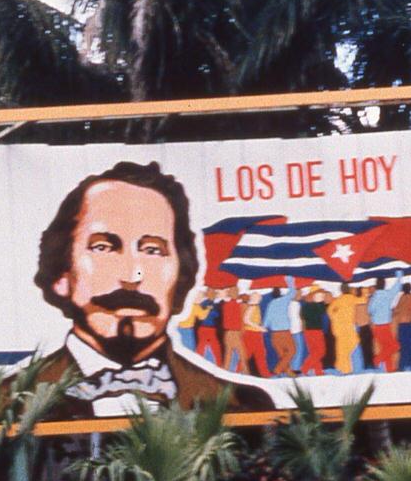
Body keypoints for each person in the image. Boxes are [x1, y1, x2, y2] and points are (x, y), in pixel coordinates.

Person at [30, 160, 274, 417]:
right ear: (61, 275)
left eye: (152, 250)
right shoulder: (1, 408)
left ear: (181, 275)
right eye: (103, 247)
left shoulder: (242, 406)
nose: (131, 275)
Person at [261, 278, 298, 376]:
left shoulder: (270, 305)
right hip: (285, 333)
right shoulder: (283, 300)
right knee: (292, 351)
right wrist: (290, 281)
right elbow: (293, 292)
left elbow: (266, 322)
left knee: (282, 355)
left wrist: (263, 329)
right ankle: (277, 370)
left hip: (274, 334)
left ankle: (289, 372)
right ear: (281, 293)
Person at [368, 274, 404, 371]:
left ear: (376, 285)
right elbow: (397, 287)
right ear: (384, 284)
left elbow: (370, 310)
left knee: (386, 348)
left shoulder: (374, 298)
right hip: (385, 326)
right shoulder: (388, 294)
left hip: (377, 327)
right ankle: (376, 360)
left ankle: (390, 370)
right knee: (395, 346)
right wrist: (399, 275)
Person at [327, 284, 361, 374]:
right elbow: (362, 301)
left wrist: (336, 316)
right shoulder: (351, 298)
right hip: (348, 328)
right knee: (350, 346)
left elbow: (330, 311)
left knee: (341, 349)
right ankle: (346, 369)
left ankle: (344, 369)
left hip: (338, 329)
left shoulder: (337, 300)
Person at [298, 284, 329, 375]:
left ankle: (318, 371)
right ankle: (304, 368)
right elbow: (320, 312)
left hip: (309, 331)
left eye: (322, 295)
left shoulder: (308, 305)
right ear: (313, 295)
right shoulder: (314, 305)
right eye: (320, 295)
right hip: (314, 331)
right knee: (320, 352)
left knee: (314, 352)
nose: (322, 297)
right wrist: (320, 303)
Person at [240, 291, 271, 377]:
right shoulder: (252, 307)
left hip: (255, 334)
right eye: (255, 297)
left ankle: (265, 374)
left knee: (259, 354)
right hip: (252, 334)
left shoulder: (255, 307)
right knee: (250, 353)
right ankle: (238, 371)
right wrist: (259, 328)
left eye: (258, 298)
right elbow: (246, 320)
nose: (257, 299)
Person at [392, 282, 411, 373]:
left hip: (402, 324)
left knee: (403, 346)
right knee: (410, 345)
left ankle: (402, 366)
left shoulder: (401, 298)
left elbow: (396, 310)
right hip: (410, 323)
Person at [221, 289, 246, 373]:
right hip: (234, 332)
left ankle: (225, 371)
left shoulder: (226, 305)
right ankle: (246, 372)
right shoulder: (237, 305)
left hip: (228, 332)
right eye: (236, 292)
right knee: (241, 353)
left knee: (229, 353)